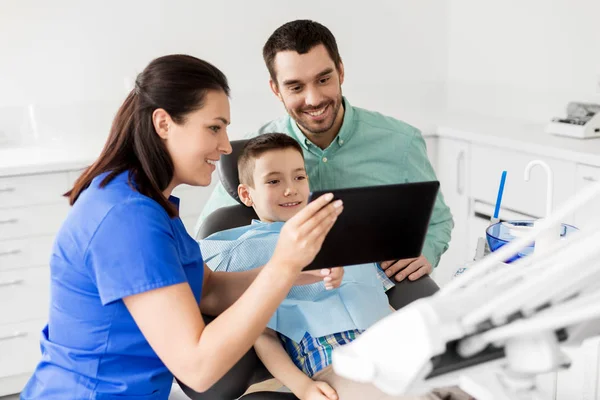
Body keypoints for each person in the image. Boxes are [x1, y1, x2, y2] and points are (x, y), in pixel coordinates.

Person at [20, 54, 345, 399]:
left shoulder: (149, 202)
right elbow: (198, 368)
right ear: (163, 124)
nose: (225, 145)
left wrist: (301, 271)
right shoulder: (126, 219)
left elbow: (208, 291)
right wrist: (283, 266)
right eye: (214, 127)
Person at [195, 19, 453, 284]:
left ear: (340, 72)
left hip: (373, 290)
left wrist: (426, 251)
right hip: (288, 298)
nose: (314, 99)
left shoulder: (402, 142)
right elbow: (206, 239)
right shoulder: (253, 153)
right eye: (296, 87)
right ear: (276, 89)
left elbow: (438, 221)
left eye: (323, 79)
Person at [200, 133, 456, 400]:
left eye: (299, 177)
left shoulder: (342, 231)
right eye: (274, 181)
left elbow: (380, 290)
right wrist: (302, 387)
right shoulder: (242, 250)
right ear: (246, 194)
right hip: (335, 361)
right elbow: (262, 335)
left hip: (393, 347)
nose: (291, 189)